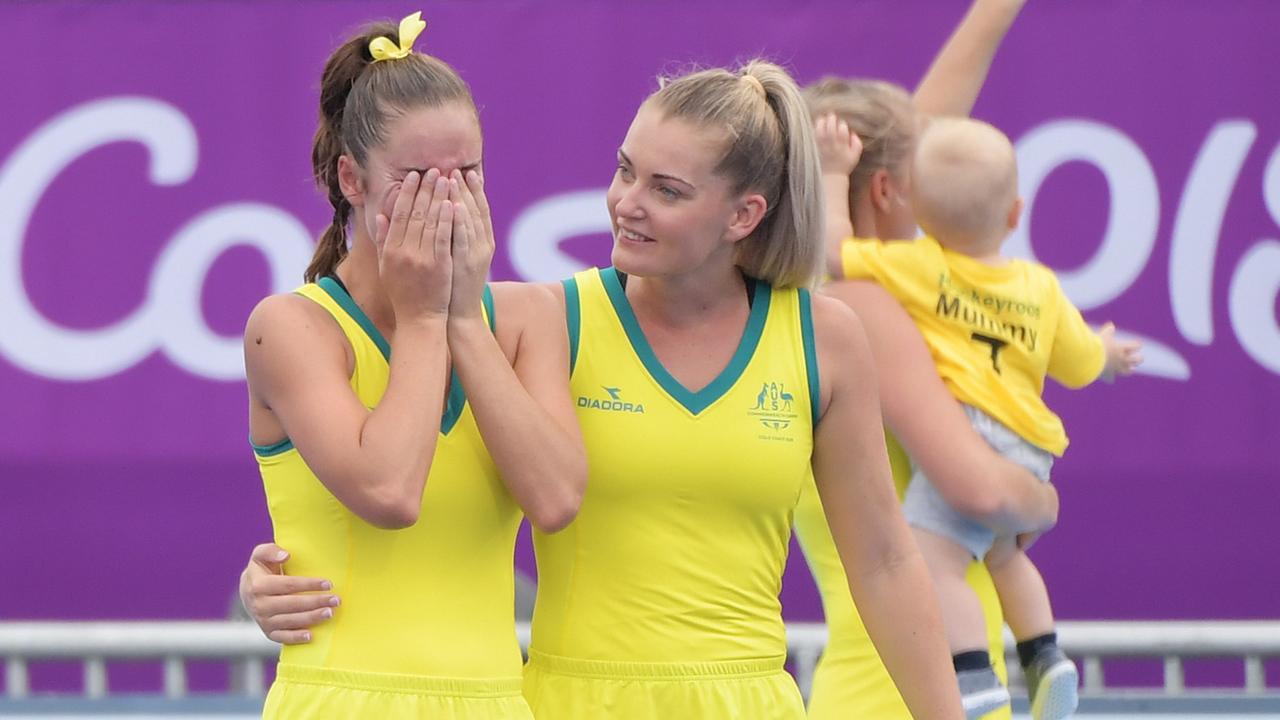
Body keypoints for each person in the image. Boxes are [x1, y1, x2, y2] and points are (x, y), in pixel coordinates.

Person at [244, 57, 967, 719]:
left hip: (749, 698)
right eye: (625, 171)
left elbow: (885, 560)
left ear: (743, 215)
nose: (627, 202)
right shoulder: (557, 314)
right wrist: (275, 570)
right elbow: (382, 483)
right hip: (568, 700)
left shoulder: (824, 336)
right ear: (351, 178)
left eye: (666, 188)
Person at [241, 12, 585, 718]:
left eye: (468, 173)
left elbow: (555, 500)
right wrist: (428, 316)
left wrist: (463, 319)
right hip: (343, 702)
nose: (447, 199)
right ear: (352, 179)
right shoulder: (293, 326)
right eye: (418, 177)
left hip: (494, 700)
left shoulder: (526, 319)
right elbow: (391, 492)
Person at [795, 1, 1060, 718]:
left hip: (889, 686)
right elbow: (979, 492)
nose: (945, 187)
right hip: (912, 695)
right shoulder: (870, 310)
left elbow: (917, 129)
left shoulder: (811, 293)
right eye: (928, 174)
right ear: (886, 190)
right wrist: (1042, 497)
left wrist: (991, 15)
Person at [829, 116, 1141, 719]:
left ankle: (972, 676)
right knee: (1005, 556)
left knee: (929, 559)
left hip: (973, 433)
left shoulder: (919, 269)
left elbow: (833, 252)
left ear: (916, 207)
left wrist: (832, 169)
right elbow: (1078, 365)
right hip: (1033, 444)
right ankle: (1046, 656)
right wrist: (1107, 355)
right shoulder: (1041, 286)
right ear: (1016, 213)